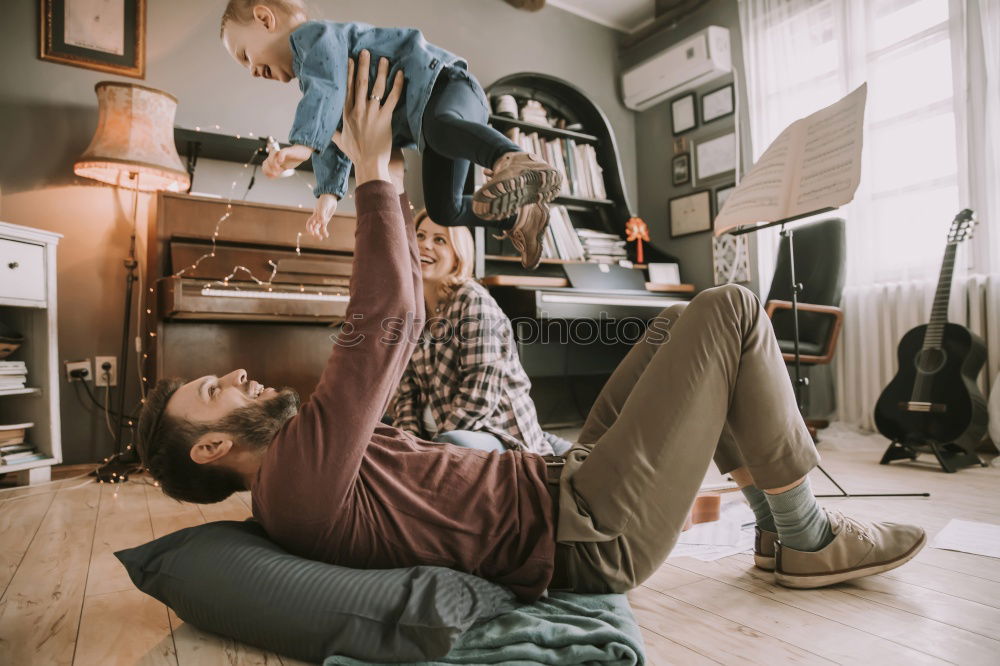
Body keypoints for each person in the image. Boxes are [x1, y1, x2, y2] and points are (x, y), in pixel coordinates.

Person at [138, 57, 926, 605]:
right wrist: (376, 173)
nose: (237, 374)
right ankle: (806, 534)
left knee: (686, 325)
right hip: (588, 528)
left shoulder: (297, 474)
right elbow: (386, 319)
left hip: (562, 478)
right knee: (734, 310)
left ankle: (775, 534)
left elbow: (388, 334)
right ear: (211, 449)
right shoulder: (292, 479)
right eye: (212, 390)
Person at [220, 0, 561, 269]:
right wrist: (327, 196)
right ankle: (523, 216)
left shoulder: (314, 38)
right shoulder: (321, 85)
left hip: (446, 85)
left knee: (439, 126)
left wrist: (303, 144)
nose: (251, 71)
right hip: (434, 125)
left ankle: (513, 159)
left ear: (265, 19)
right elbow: (337, 136)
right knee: (445, 210)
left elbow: (324, 93)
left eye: (244, 56)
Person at [389, 209, 562, 455]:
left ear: (457, 256)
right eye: (420, 235)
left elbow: (479, 396)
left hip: (494, 432)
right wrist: (407, 440)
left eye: (440, 240)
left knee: (453, 443)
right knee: (377, 434)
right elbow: (406, 391)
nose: (425, 245)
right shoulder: (411, 308)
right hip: (433, 437)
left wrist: (429, 450)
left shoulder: (473, 301)